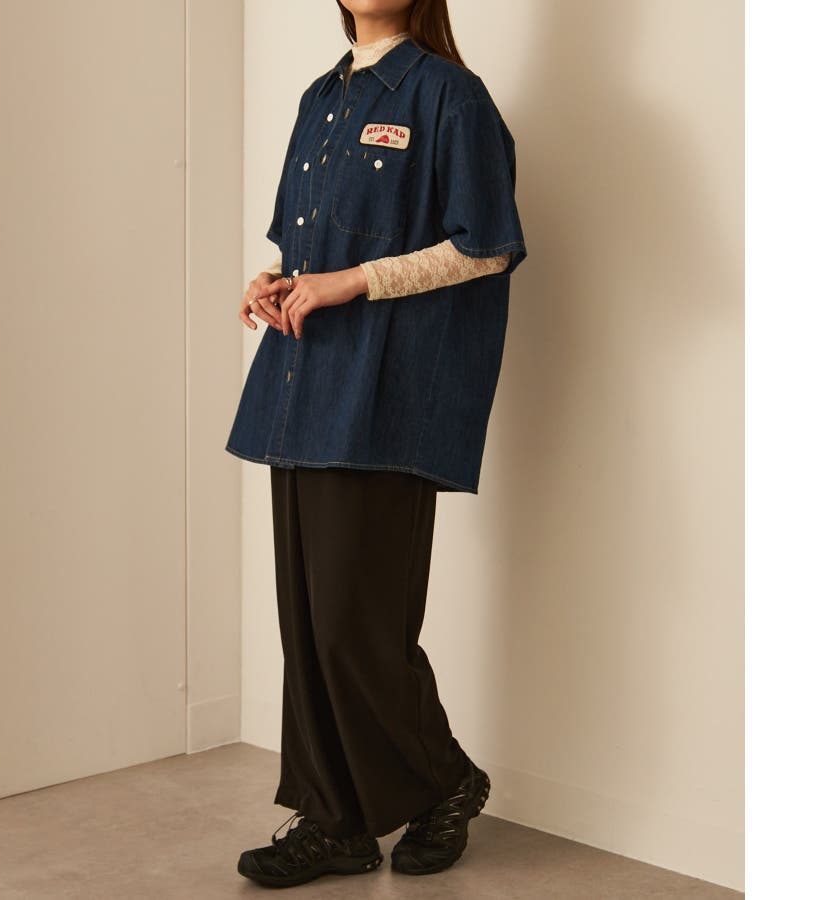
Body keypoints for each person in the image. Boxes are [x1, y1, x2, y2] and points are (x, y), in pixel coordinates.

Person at [226, 0, 526, 888]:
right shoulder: (322, 97)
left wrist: (350, 282)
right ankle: (336, 824)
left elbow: (486, 247)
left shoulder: (452, 97)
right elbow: (306, 243)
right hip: (302, 386)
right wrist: (275, 282)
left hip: (388, 400)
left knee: (357, 627)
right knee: (309, 626)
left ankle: (446, 781)